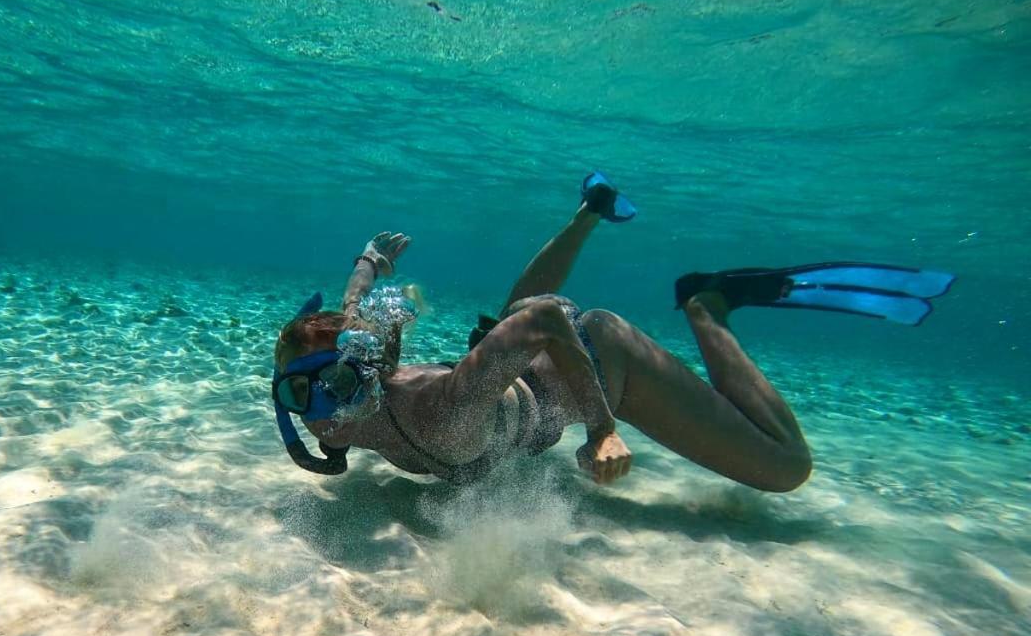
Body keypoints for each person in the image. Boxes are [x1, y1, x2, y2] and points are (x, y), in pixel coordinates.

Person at [271, 173, 954, 492]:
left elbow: (542, 322)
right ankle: (592, 208)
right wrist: (367, 266)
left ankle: (707, 305)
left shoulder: (435, 406)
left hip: (598, 360)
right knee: (511, 323)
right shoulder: (348, 397)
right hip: (520, 357)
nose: (321, 413)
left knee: (786, 471)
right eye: (301, 398)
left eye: (328, 387)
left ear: (361, 371)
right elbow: (358, 320)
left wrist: (600, 429)